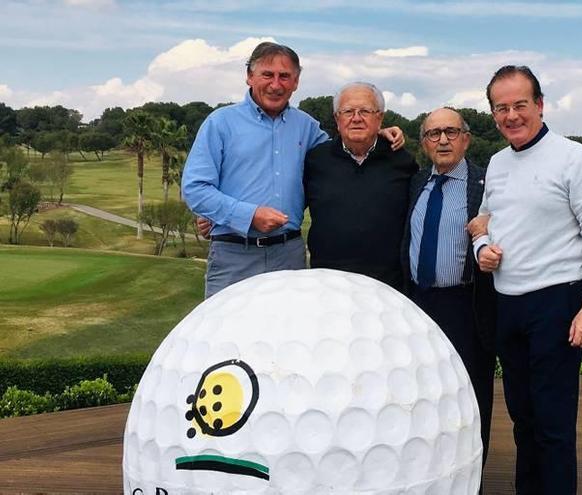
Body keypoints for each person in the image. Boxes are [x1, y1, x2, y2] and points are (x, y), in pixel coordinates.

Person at [470, 65, 582, 494]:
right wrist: (483, 251)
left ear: (540, 105)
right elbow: (482, 223)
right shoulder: (496, 164)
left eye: (520, 105)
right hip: (508, 305)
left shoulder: (573, 157)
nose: (511, 115)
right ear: (493, 113)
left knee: (552, 424)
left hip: (557, 302)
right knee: (523, 420)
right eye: (501, 108)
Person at [183, 42, 402, 298]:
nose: (276, 85)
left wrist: (374, 134)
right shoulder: (220, 123)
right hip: (234, 254)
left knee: (287, 336)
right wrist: (247, 215)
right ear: (249, 77)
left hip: (288, 255)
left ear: (296, 81)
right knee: (227, 335)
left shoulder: (306, 126)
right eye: (267, 75)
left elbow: (341, 154)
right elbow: (195, 188)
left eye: (284, 76)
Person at [403, 107, 497, 473]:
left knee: (471, 396)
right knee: (422, 395)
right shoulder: (415, 183)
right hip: (417, 304)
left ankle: (470, 475)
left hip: (466, 306)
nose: (443, 139)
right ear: (423, 141)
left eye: (451, 132)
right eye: (434, 133)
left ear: (466, 138)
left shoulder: (486, 185)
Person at [304, 82, 417, 291]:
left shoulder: (403, 162)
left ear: (379, 118)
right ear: (337, 119)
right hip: (327, 282)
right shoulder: (315, 160)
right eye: (348, 111)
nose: (356, 118)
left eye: (365, 111)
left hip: (388, 285)